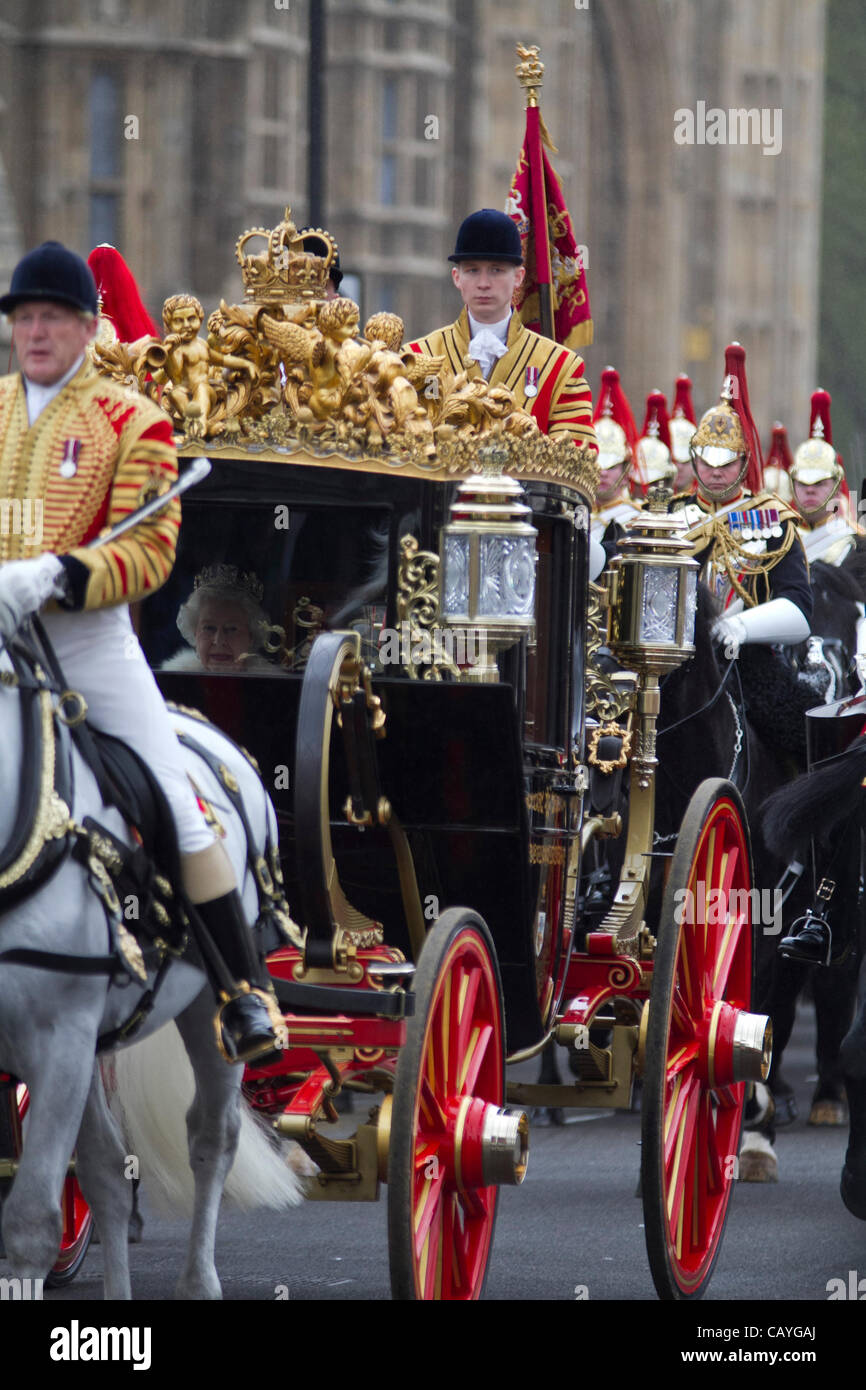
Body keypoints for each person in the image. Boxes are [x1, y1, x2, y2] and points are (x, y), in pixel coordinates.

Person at [0, 241, 281, 1063]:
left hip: (88, 643)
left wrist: (59, 573)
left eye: (53, 316)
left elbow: (149, 552)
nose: (37, 331)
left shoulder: (134, 421)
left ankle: (241, 990)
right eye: (25, 317)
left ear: (90, 327)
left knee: (178, 806)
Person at [677, 342, 813, 757]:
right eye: (707, 460)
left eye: (727, 461)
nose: (715, 471)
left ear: (743, 460)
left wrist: (740, 627)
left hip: (743, 661)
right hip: (668, 661)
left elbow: (799, 610)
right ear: (694, 458)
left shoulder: (772, 521)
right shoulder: (665, 516)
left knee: (807, 739)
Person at [408, 208, 597, 452]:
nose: (484, 283)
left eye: (496, 270)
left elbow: (576, 466)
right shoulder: (416, 358)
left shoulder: (561, 368)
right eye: (472, 270)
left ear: (519, 277)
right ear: (457, 277)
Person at [790, 389, 863, 566]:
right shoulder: (778, 537)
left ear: (837, 487)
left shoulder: (853, 545)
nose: (809, 490)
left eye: (819, 483)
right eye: (802, 483)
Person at [164, 564, 279, 673]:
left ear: (251, 637)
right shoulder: (173, 681)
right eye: (209, 628)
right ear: (195, 634)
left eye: (231, 629)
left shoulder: (271, 687)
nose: (219, 641)